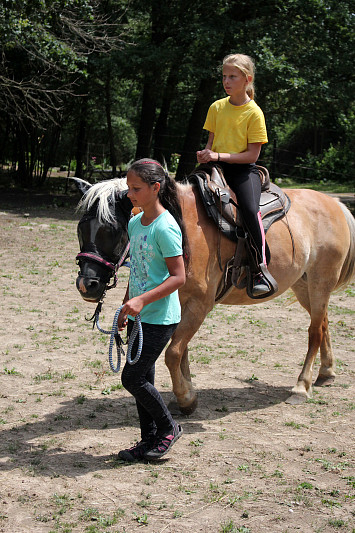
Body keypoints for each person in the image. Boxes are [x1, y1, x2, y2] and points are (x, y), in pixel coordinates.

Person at [116, 158, 188, 462]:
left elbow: (179, 276)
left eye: (136, 188)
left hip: (160, 318)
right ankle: (149, 440)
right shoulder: (136, 222)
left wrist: (142, 301)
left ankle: (168, 428)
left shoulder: (166, 227)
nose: (129, 193)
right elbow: (139, 271)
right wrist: (126, 304)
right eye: (128, 187)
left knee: (132, 379)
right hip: (139, 315)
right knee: (144, 376)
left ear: (155, 188)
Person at [197, 53, 271, 296]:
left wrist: (218, 156)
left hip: (242, 171)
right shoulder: (216, 107)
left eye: (232, 76)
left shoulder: (254, 113)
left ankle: (260, 267)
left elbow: (252, 156)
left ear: (247, 78)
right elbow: (212, 142)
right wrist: (206, 154)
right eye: (224, 76)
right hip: (214, 169)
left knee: (250, 209)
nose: (226, 81)